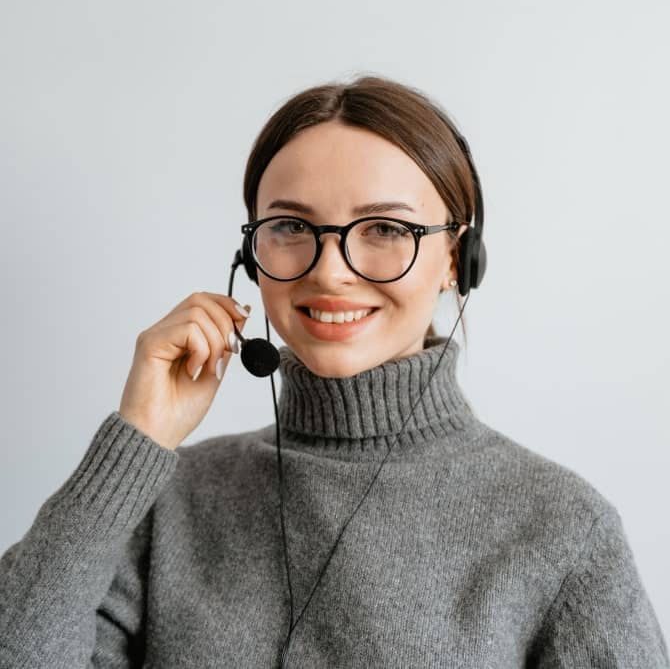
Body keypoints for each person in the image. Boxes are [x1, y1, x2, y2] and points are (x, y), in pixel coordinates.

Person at [0, 75, 667, 669]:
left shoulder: (559, 526)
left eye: (383, 229)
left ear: (456, 261)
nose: (329, 270)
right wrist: (135, 440)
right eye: (291, 225)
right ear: (250, 255)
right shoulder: (166, 500)